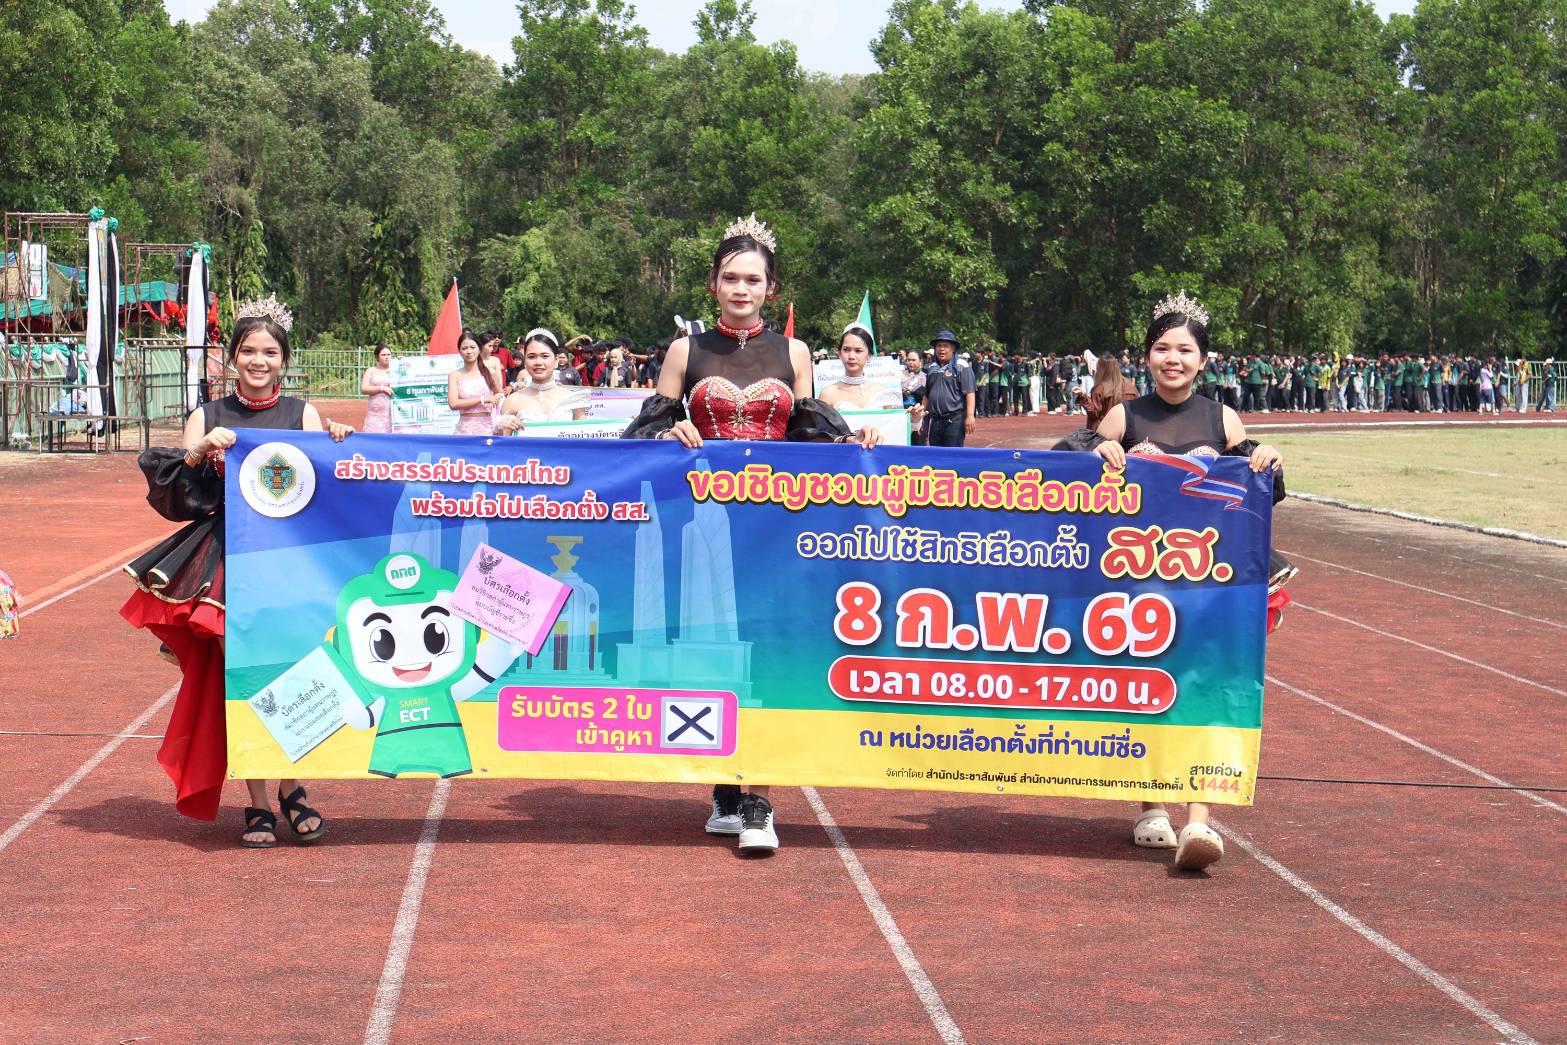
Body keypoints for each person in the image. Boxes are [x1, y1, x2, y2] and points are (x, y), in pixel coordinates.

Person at [623, 213, 878, 856]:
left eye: (753, 279)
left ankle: (759, 801)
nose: (742, 288)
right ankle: (725, 788)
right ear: (713, 284)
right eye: (731, 278)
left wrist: (856, 443)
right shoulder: (685, 351)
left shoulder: (795, 354)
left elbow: (811, 435)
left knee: (765, 647)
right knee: (710, 644)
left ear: (771, 288)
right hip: (703, 521)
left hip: (774, 526)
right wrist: (669, 431)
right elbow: (642, 435)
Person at [1059, 291, 1287, 872]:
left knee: (1204, 688)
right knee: (1147, 689)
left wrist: (1266, 457)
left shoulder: (1223, 419)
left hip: (1206, 586)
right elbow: (1064, 474)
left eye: (1185, 349)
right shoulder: (1126, 417)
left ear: (1203, 360)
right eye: (1162, 348)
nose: (1173, 359)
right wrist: (1098, 450)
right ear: (1147, 357)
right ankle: (1152, 805)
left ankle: (1199, 820)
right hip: (1136, 583)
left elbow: (1258, 495)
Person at [121, 295, 353, 846]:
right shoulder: (207, 416)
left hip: (290, 563)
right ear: (233, 357)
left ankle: (292, 788)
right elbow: (174, 498)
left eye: (269, 352)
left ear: (284, 359)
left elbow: (327, 490)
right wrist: (199, 450)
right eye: (248, 350)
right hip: (227, 564)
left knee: (293, 673)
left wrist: (340, 445)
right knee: (245, 677)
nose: (258, 361)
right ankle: (257, 802)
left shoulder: (303, 414)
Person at [494, 328, 591, 432]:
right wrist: (499, 429)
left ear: (556, 360)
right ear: (525, 361)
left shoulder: (573, 400)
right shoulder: (512, 401)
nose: (538, 362)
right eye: (532, 357)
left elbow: (582, 438)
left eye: (545, 356)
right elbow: (503, 441)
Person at [819, 324, 901, 415]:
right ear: (839, 353)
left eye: (858, 351)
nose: (851, 356)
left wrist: (911, 418)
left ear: (869, 356)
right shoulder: (827, 394)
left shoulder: (882, 392)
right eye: (846, 349)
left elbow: (891, 422)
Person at [920, 331, 975, 446]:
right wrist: (921, 417)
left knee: (952, 453)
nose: (941, 349)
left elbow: (970, 392)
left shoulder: (961, 366)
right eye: (939, 346)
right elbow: (927, 395)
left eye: (945, 346)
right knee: (936, 453)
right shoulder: (932, 368)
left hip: (954, 420)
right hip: (935, 421)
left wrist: (970, 416)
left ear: (953, 348)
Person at [447, 328, 502, 435]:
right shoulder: (454, 375)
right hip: (465, 431)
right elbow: (453, 403)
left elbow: (500, 396)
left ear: (479, 349)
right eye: (464, 348)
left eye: (472, 347)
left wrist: (496, 400)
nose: (469, 351)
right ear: (459, 351)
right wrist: (482, 399)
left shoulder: (490, 373)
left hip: (488, 429)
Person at [1075, 351, 1137, 429]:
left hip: (1104, 431)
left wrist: (1083, 397)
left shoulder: (1100, 389)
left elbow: (1094, 413)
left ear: (1101, 369)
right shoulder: (1131, 387)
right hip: (1126, 430)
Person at [361, 344, 394, 433]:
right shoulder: (371, 370)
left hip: (392, 413)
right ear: (377, 357)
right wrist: (382, 388)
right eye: (383, 355)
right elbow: (364, 389)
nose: (387, 357)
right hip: (374, 413)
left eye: (389, 354)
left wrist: (402, 363)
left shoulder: (396, 370)